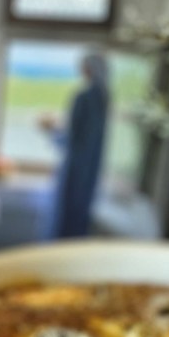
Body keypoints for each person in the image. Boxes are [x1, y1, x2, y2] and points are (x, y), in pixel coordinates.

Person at [38, 51, 109, 238]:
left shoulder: (84, 98)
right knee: (79, 220)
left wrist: (52, 129)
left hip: (75, 171)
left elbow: (74, 141)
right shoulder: (104, 97)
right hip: (89, 174)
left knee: (65, 220)